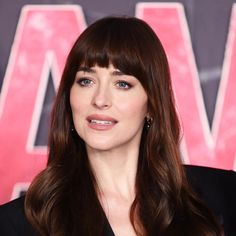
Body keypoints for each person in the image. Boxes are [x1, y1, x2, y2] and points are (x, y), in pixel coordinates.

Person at [0, 16, 224, 236]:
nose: (100, 99)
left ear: (152, 106)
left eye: (122, 84)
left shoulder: (220, 196)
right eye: (86, 81)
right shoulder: (19, 223)